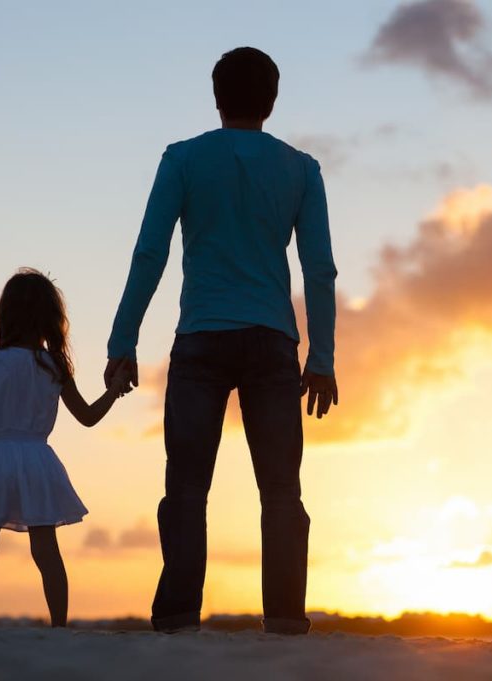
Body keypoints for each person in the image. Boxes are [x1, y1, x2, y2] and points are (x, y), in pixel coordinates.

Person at [105, 46, 338, 635]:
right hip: (271, 341)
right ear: (272, 99)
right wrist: (323, 356)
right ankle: (285, 620)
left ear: (216, 96)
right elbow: (319, 269)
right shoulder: (301, 168)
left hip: (202, 338)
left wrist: (122, 341)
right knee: (281, 490)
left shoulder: (183, 159)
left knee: (185, 487)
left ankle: (180, 618)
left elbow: (149, 253)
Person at [0, 268, 131, 628]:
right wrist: (114, 390)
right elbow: (88, 416)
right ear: (50, 317)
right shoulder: (53, 365)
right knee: (47, 554)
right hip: (37, 463)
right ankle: (59, 627)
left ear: (7, 314)